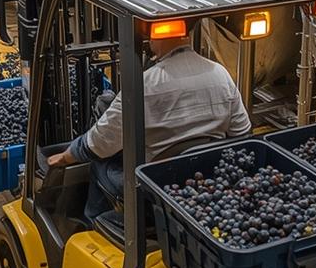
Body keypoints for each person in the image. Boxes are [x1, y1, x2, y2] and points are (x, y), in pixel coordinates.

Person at [49, 21, 251, 225]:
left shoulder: (143, 85)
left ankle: (95, 224)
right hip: (208, 182)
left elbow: (99, 144)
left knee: (100, 164)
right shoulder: (220, 74)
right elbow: (242, 134)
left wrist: (66, 157)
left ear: (154, 36)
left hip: (157, 188)